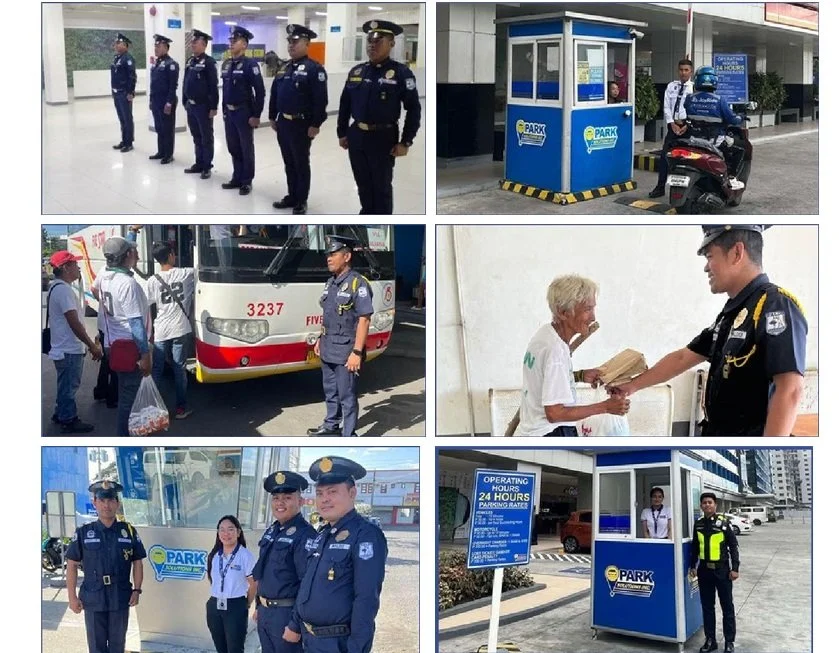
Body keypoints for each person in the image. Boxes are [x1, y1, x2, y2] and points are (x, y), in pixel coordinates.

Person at [613, 226, 807, 436]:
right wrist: (632, 386)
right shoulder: (734, 311)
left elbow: (790, 390)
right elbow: (683, 358)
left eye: (710, 256)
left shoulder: (774, 306)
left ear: (736, 253)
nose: (706, 268)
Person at [283, 457, 387, 653]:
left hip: (337, 644)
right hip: (309, 640)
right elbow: (306, 583)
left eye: (332, 492)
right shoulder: (323, 534)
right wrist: (295, 624)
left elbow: (366, 599)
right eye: (320, 493)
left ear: (352, 493)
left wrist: (357, 648)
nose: (324, 499)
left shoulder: (365, 534)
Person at [518, 274, 630, 437]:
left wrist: (580, 375)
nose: (593, 317)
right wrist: (605, 407)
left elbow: (545, 378)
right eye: (587, 309)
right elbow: (555, 414)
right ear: (564, 313)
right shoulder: (555, 350)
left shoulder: (544, 335)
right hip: (551, 435)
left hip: (532, 432)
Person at [337, 20, 421, 214]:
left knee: (381, 185)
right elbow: (345, 104)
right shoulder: (357, 71)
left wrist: (406, 141)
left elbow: (413, 109)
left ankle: (382, 217)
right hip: (357, 135)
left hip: (383, 137)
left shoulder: (401, 73)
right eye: (369, 41)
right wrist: (342, 132)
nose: (372, 45)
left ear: (391, 44)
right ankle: (366, 212)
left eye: (378, 41)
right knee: (362, 181)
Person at [66, 480, 146, 653]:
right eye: (102, 500)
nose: (106, 505)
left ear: (117, 503)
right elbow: (71, 564)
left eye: (110, 500)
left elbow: (138, 561)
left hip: (120, 596)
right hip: (93, 597)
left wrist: (137, 590)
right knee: (96, 647)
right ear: (94, 502)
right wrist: (72, 597)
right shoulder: (84, 532)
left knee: (118, 647)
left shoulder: (129, 531)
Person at [307, 235, 374, 437]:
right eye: (328, 255)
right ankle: (331, 425)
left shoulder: (358, 284)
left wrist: (356, 352)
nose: (328, 258)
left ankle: (349, 434)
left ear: (346, 256)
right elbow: (327, 314)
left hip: (346, 351)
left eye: (333, 254)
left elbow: (364, 320)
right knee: (331, 391)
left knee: (347, 395)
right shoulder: (331, 283)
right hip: (328, 347)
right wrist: (320, 338)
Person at [252, 471, 318, 653]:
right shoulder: (272, 531)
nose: (280, 503)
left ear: (301, 501)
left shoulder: (305, 535)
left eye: (287, 497)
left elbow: (307, 585)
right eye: (276, 498)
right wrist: (259, 604)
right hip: (266, 614)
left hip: (286, 616)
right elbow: (265, 572)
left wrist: (295, 625)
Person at [269, 24, 328, 215]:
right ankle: (292, 195)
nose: (291, 45)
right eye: (290, 42)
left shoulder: (314, 69)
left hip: (302, 124)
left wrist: (316, 124)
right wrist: (272, 116)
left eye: (295, 42)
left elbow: (320, 100)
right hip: (283, 123)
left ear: (306, 44)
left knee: (301, 162)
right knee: (289, 162)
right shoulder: (284, 67)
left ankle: (301, 199)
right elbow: (274, 94)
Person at [99, 236, 153, 437]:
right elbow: (135, 322)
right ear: (128, 255)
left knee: (125, 394)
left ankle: (129, 433)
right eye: (132, 251)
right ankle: (126, 437)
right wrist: (145, 354)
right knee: (128, 399)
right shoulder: (127, 283)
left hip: (115, 344)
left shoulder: (106, 277)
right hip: (130, 347)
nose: (136, 254)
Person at [46, 250, 103, 433]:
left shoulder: (56, 287)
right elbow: (74, 323)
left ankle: (60, 412)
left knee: (65, 384)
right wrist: (92, 345)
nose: (78, 268)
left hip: (62, 348)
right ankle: (68, 419)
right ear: (65, 268)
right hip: (68, 349)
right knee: (70, 387)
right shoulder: (63, 290)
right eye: (74, 265)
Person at [147, 241, 195, 419]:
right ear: (170, 256)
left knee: (157, 370)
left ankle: (154, 409)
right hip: (180, 329)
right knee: (179, 369)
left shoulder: (152, 280)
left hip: (161, 330)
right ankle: (181, 408)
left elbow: (146, 304)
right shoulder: (185, 274)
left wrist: (148, 332)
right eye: (173, 253)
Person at [689, 492, 739, 653]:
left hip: (722, 571)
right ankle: (711, 640)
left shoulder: (724, 523)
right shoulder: (698, 524)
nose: (707, 505)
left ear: (715, 505)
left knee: (727, 607)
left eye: (710, 502)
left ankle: (729, 642)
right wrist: (692, 566)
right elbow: (695, 547)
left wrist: (735, 568)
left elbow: (733, 546)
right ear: (701, 505)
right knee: (707, 607)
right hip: (704, 571)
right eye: (704, 503)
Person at [220, 25, 266, 196]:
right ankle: (237, 177)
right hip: (229, 113)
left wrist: (256, 115)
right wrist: (224, 109)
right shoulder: (226, 64)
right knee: (233, 147)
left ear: (245, 45)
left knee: (246, 148)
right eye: (231, 40)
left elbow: (260, 92)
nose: (231, 43)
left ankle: (247, 181)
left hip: (244, 112)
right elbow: (225, 89)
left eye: (235, 40)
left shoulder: (250, 65)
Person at [684, 66, 745, 181]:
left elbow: (683, 114)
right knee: (739, 151)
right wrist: (741, 117)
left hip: (693, 140)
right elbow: (733, 119)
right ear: (714, 81)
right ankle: (731, 177)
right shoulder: (719, 100)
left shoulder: (689, 98)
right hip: (714, 142)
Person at [206, 515, 257, 653]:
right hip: (214, 605)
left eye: (230, 529)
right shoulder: (215, 555)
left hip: (235, 605)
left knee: (235, 649)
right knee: (220, 648)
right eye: (221, 530)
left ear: (238, 532)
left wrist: (246, 603)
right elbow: (213, 580)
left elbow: (254, 584)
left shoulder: (245, 555)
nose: (225, 534)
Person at [649, 58, 694, 198]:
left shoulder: (694, 88)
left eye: (686, 70)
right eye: (681, 70)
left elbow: (695, 109)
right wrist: (671, 124)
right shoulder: (671, 86)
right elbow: (666, 107)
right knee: (664, 157)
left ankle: (689, 190)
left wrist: (688, 124)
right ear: (677, 70)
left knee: (689, 159)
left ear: (691, 71)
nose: (683, 73)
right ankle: (660, 187)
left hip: (688, 128)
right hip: (673, 127)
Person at [183, 29, 219, 179]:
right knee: (196, 136)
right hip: (191, 106)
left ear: (203, 45)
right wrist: (185, 100)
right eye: (192, 42)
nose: (192, 44)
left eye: (195, 42)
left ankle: (206, 165)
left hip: (203, 106)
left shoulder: (209, 63)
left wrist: (213, 106)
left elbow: (213, 85)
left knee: (206, 137)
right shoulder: (190, 61)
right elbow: (185, 81)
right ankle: (199, 163)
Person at [148, 34, 179, 164]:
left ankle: (168, 154)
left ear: (166, 47)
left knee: (167, 128)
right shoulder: (156, 63)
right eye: (155, 45)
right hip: (156, 100)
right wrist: (151, 100)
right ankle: (161, 151)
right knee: (159, 127)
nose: (156, 48)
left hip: (166, 101)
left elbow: (173, 86)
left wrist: (169, 102)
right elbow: (153, 84)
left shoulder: (171, 64)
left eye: (158, 46)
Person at [91, 264, 118, 409]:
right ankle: (112, 398)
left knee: (106, 361)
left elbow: (93, 288)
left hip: (103, 323)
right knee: (114, 362)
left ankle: (101, 391)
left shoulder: (103, 269)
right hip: (112, 326)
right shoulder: (122, 276)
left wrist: (102, 303)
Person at [110, 33, 137, 152]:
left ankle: (129, 142)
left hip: (124, 93)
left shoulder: (128, 58)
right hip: (116, 93)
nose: (116, 45)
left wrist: (130, 92)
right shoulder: (117, 58)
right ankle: (124, 140)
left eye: (118, 43)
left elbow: (132, 77)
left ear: (125, 45)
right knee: (122, 118)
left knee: (127, 118)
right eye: (116, 43)